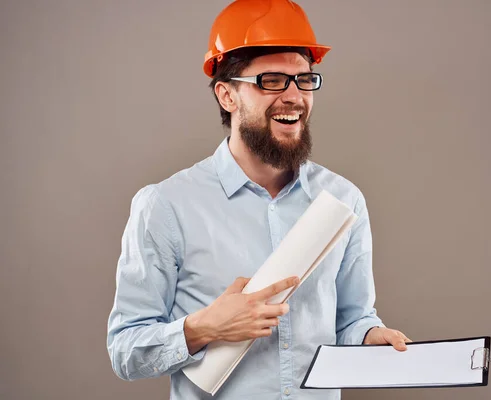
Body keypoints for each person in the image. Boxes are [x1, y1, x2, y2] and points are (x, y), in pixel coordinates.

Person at [107, 0, 410, 398]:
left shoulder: (343, 200)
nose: (294, 96)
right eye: (271, 80)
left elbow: (353, 319)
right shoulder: (167, 206)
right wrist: (203, 328)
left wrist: (370, 337)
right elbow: (125, 350)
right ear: (227, 96)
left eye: (304, 79)